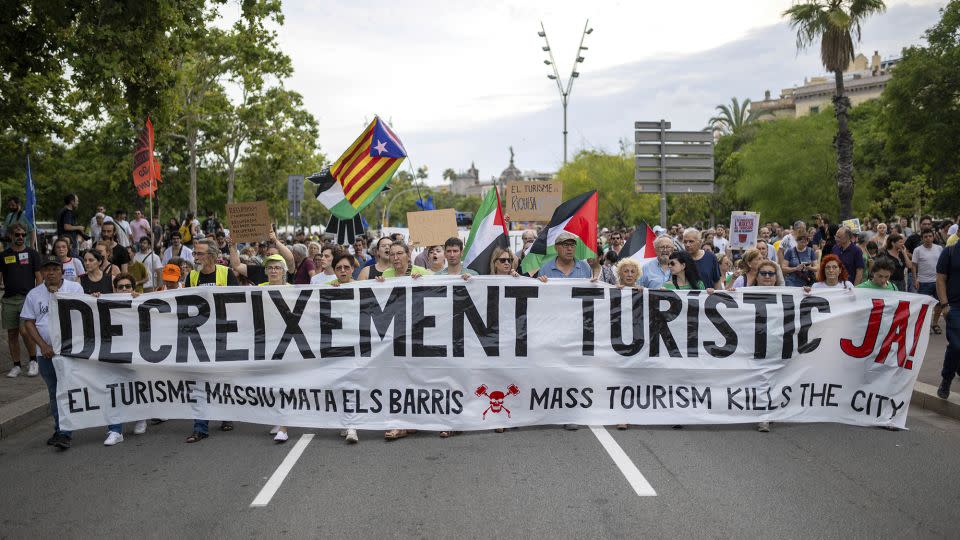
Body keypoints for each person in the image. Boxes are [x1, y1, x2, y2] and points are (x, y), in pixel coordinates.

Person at [21, 255, 85, 449]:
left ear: (62, 271)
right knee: (54, 391)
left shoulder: (74, 289)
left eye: (55, 269)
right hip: (46, 354)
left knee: (67, 389)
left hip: (69, 351)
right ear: (41, 273)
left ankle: (65, 431)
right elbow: (29, 323)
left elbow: (83, 315)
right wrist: (42, 345)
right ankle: (61, 429)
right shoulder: (34, 294)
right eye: (47, 269)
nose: (51, 273)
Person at [184, 238, 240, 442]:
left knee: (222, 379)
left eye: (199, 253)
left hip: (223, 335)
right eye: (195, 253)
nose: (195, 257)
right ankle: (200, 427)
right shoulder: (191, 276)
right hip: (200, 338)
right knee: (200, 381)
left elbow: (239, 302)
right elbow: (183, 304)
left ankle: (225, 414)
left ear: (213, 256)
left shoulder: (226, 274)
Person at [101, 273, 148, 445]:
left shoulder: (140, 301)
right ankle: (115, 430)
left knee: (136, 388)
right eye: (120, 287)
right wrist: (95, 299)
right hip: (113, 353)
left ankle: (141, 417)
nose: (124, 289)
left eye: (127, 286)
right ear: (114, 289)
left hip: (136, 353)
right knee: (113, 390)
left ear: (133, 288)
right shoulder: (105, 302)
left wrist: (141, 299)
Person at [1, 223, 41, 378]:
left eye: (23, 235)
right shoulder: (3, 255)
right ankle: (16, 365)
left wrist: (37, 297)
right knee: (12, 334)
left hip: (27, 299)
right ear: (11, 236)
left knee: (25, 331)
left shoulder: (32, 254)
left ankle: (33, 361)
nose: (20, 237)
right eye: (16, 234)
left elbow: (39, 277)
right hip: (9, 299)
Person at [936, 237, 960, 398]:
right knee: (957, 345)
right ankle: (946, 379)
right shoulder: (949, 252)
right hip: (955, 307)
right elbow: (940, 279)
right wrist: (944, 304)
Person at [913, 229, 945, 333]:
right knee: (924, 306)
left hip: (938, 281)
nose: (928, 238)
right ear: (922, 238)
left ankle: (935, 324)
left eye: (930, 236)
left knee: (940, 304)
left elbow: (943, 264)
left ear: (933, 237)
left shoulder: (939, 248)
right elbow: (914, 265)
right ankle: (924, 326)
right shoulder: (917, 250)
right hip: (923, 282)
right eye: (925, 237)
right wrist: (915, 279)